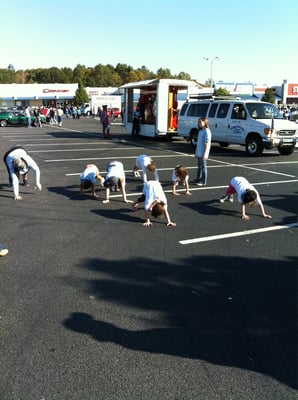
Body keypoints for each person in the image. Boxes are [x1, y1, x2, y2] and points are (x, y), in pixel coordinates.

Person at [194, 117, 212, 186]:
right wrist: (196, 152)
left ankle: (203, 181)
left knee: (204, 167)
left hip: (203, 153)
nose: (199, 123)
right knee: (199, 167)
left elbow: (207, 143)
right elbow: (198, 143)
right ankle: (198, 178)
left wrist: (204, 154)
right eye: (198, 122)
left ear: (205, 122)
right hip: (199, 152)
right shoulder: (200, 131)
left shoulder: (207, 131)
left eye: (200, 122)